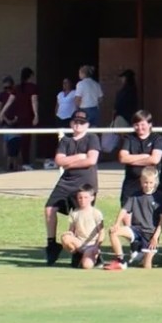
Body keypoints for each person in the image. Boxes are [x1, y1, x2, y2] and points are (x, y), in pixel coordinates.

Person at [44, 111, 102, 266]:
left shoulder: (92, 138)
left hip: (85, 182)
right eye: (75, 121)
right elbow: (58, 160)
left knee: (81, 216)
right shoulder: (66, 140)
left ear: (87, 124)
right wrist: (78, 157)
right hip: (66, 181)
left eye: (82, 122)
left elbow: (91, 160)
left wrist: (68, 163)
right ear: (71, 123)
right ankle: (51, 245)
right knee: (50, 209)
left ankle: (83, 250)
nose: (78, 124)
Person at [114, 111, 162, 207]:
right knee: (126, 210)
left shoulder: (156, 138)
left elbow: (154, 160)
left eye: (142, 124)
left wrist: (131, 160)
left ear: (150, 124)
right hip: (131, 182)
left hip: (150, 183)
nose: (139, 127)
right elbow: (122, 158)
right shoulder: (129, 138)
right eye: (136, 124)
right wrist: (145, 156)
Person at [116, 168, 162, 269]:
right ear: (141, 181)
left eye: (151, 182)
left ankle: (141, 254)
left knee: (146, 266)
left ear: (155, 182)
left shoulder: (160, 196)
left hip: (150, 234)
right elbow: (124, 210)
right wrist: (117, 223)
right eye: (145, 182)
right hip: (136, 229)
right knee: (113, 232)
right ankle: (120, 260)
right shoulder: (134, 196)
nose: (148, 185)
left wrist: (155, 237)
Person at [57, 184, 111, 269]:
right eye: (80, 198)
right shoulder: (75, 213)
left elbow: (101, 232)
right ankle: (77, 255)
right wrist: (69, 237)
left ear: (92, 198)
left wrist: (97, 246)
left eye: (86, 197)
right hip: (79, 243)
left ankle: (96, 258)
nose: (83, 200)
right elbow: (71, 230)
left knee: (87, 266)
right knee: (65, 237)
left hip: (91, 244)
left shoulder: (96, 213)